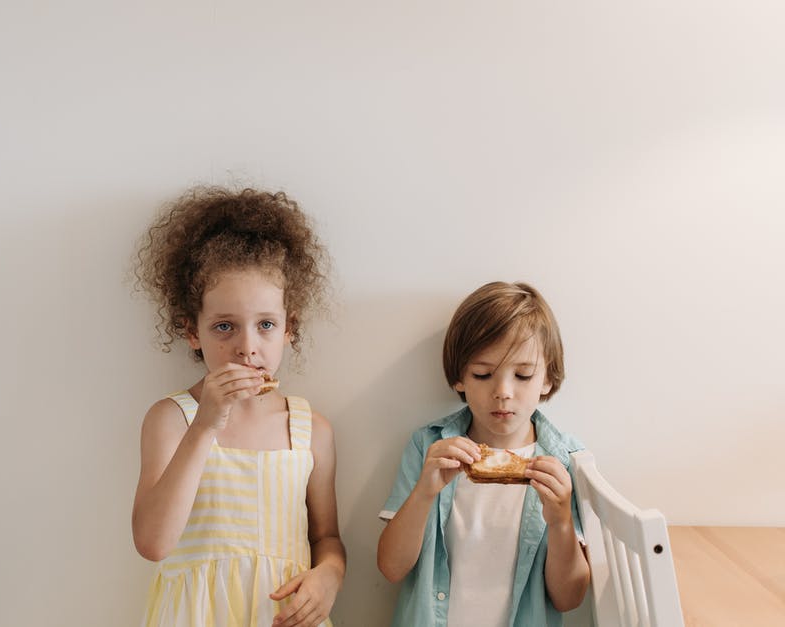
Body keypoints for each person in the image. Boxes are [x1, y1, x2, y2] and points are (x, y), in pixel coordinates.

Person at [131, 187, 344, 627]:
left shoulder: (310, 430)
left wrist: (329, 577)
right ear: (193, 332)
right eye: (224, 327)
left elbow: (326, 537)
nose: (247, 348)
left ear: (290, 328)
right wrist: (206, 425)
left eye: (266, 325)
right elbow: (153, 543)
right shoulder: (172, 420)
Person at [376, 281, 590, 627]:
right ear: (459, 377)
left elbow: (569, 597)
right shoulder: (428, 446)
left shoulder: (568, 462)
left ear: (547, 379)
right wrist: (425, 492)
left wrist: (562, 520)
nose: (503, 392)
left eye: (522, 375)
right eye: (483, 373)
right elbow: (391, 568)